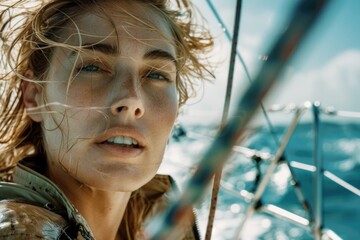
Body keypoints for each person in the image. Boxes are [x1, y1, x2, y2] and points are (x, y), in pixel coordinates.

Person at [0, 0, 213, 239]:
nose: (132, 100)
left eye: (157, 74)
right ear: (34, 96)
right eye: (92, 67)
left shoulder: (162, 219)